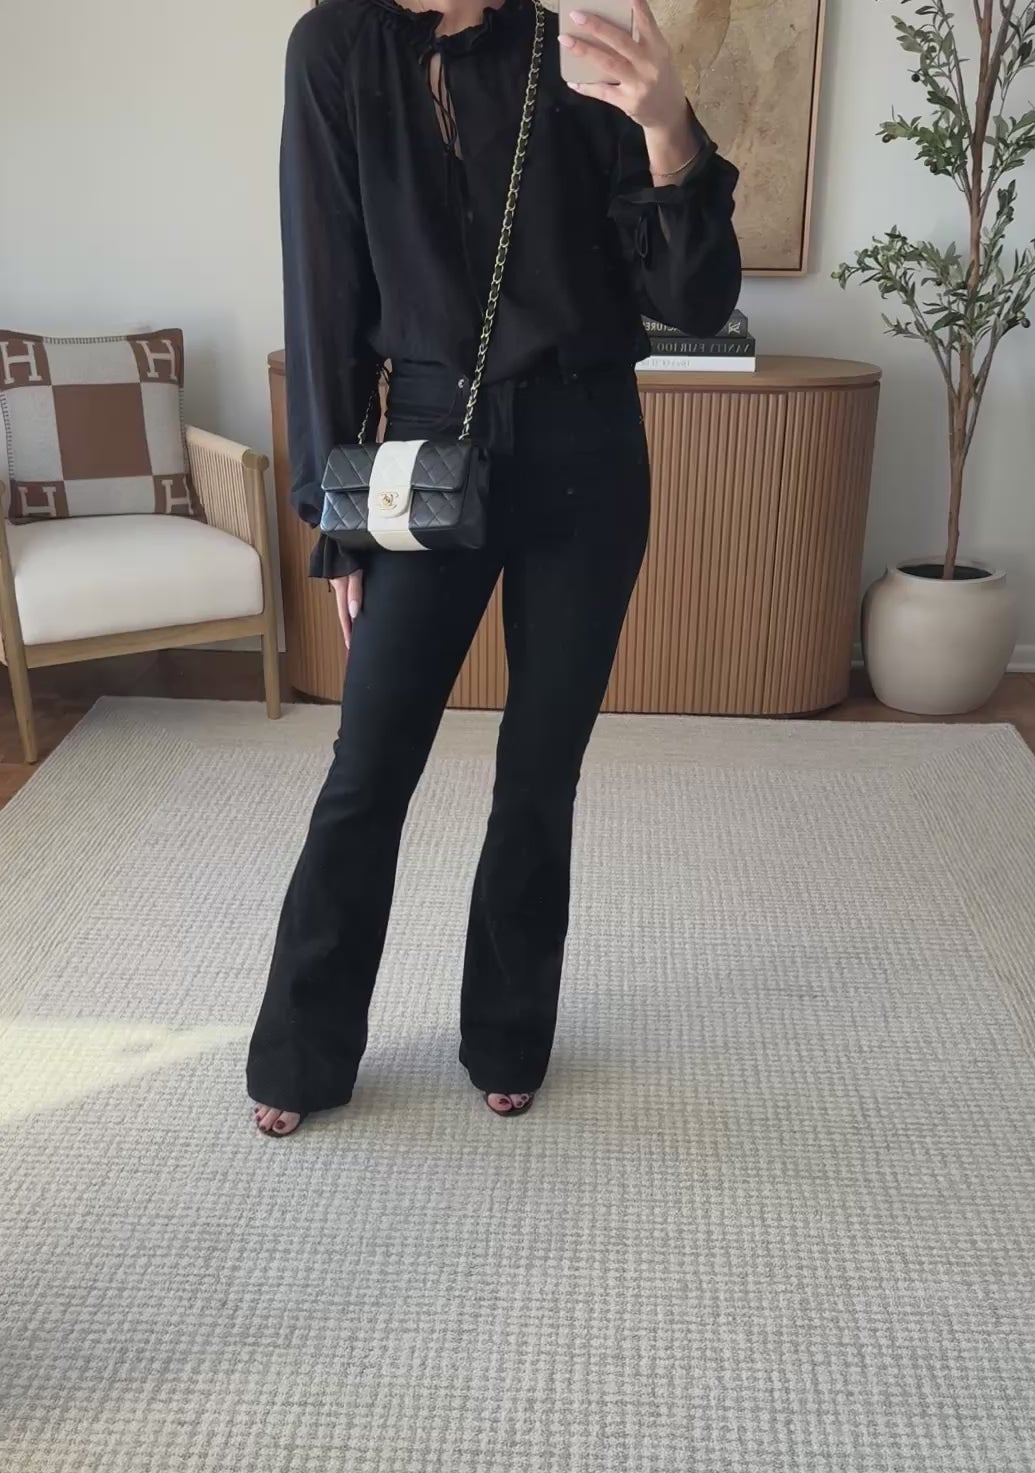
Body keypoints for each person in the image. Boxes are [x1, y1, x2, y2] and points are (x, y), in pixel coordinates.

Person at [248, 0, 741, 1135]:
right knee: (368, 766)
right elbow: (323, 289)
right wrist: (337, 517)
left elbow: (693, 303)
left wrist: (669, 127)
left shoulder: (570, 49)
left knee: (539, 770)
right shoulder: (336, 49)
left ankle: (509, 1034)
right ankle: (303, 1049)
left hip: (588, 449)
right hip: (427, 446)